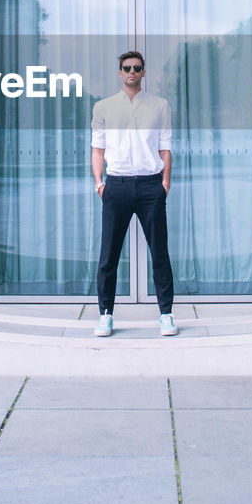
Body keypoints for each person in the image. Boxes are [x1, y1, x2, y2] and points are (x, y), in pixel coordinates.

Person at [90, 50, 177, 337]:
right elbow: (98, 149)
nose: (131, 72)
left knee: (160, 254)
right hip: (117, 186)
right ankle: (105, 314)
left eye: (137, 68)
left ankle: (166, 314)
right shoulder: (103, 107)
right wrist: (100, 184)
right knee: (109, 256)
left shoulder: (160, 106)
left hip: (151, 187)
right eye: (126, 68)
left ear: (143, 72)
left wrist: (164, 183)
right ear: (119, 72)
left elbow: (165, 147)